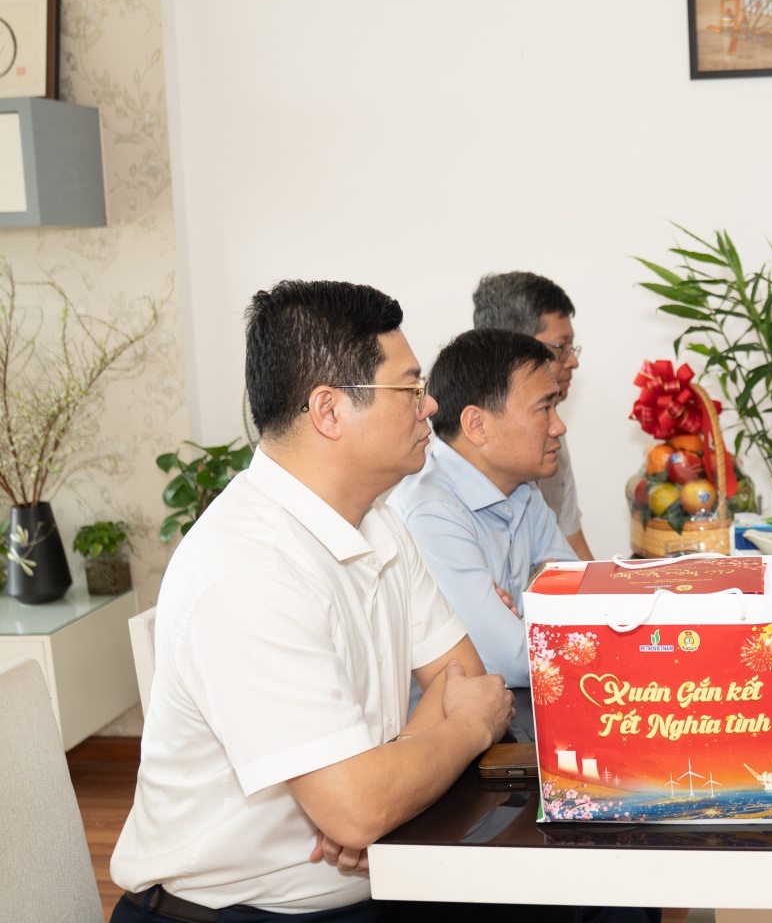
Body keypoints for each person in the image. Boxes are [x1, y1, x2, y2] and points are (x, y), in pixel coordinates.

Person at [111, 280, 576, 922]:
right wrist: (455, 737)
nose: (430, 404)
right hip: (246, 912)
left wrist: (383, 787)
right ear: (328, 411)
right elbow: (369, 799)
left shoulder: (377, 521)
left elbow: (465, 678)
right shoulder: (247, 570)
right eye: (409, 389)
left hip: (376, 877)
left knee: (588, 896)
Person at [389, 328, 576, 691]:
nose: (559, 426)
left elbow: (583, 602)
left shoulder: (522, 488)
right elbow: (515, 661)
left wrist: (519, 615)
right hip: (451, 721)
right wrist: (533, 610)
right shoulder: (429, 511)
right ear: (477, 425)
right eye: (544, 409)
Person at [473, 271, 594, 560]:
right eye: (560, 348)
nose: (573, 361)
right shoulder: (462, 454)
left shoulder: (552, 435)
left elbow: (573, 552)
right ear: (514, 348)